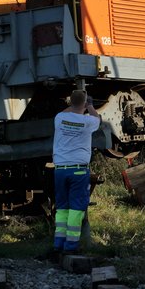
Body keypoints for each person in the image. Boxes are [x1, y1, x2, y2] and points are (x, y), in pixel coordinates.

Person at [49, 90, 101, 258]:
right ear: (84, 104)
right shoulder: (87, 121)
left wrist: (74, 105)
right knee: (76, 209)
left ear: (71, 103)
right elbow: (97, 118)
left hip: (60, 170)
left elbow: (64, 112)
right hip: (78, 170)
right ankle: (71, 245)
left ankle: (58, 243)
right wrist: (90, 106)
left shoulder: (60, 118)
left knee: (62, 207)